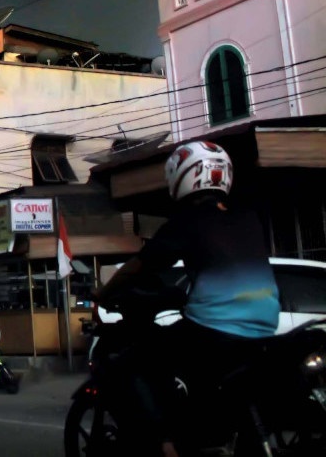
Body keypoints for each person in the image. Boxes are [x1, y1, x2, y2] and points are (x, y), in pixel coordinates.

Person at [96, 141, 280, 457]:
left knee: (133, 363)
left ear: (182, 177)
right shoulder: (248, 217)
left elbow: (138, 268)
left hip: (215, 329)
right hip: (265, 326)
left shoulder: (186, 222)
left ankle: (167, 445)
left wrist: (102, 292)